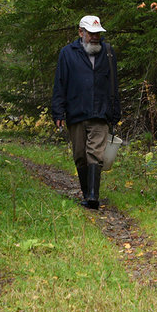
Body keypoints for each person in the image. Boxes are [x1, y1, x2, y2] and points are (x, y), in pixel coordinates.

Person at [51, 14, 120, 209]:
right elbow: (60, 83)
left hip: (101, 112)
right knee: (80, 154)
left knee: (95, 153)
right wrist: (58, 112)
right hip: (76, 112)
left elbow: (114, 84)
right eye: (91, 33)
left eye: (98, 33)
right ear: (81, 32)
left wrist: (115, 111)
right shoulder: (67, 53)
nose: (95, 37)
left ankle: (93, 197)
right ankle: (86, 192)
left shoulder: (108, 52)